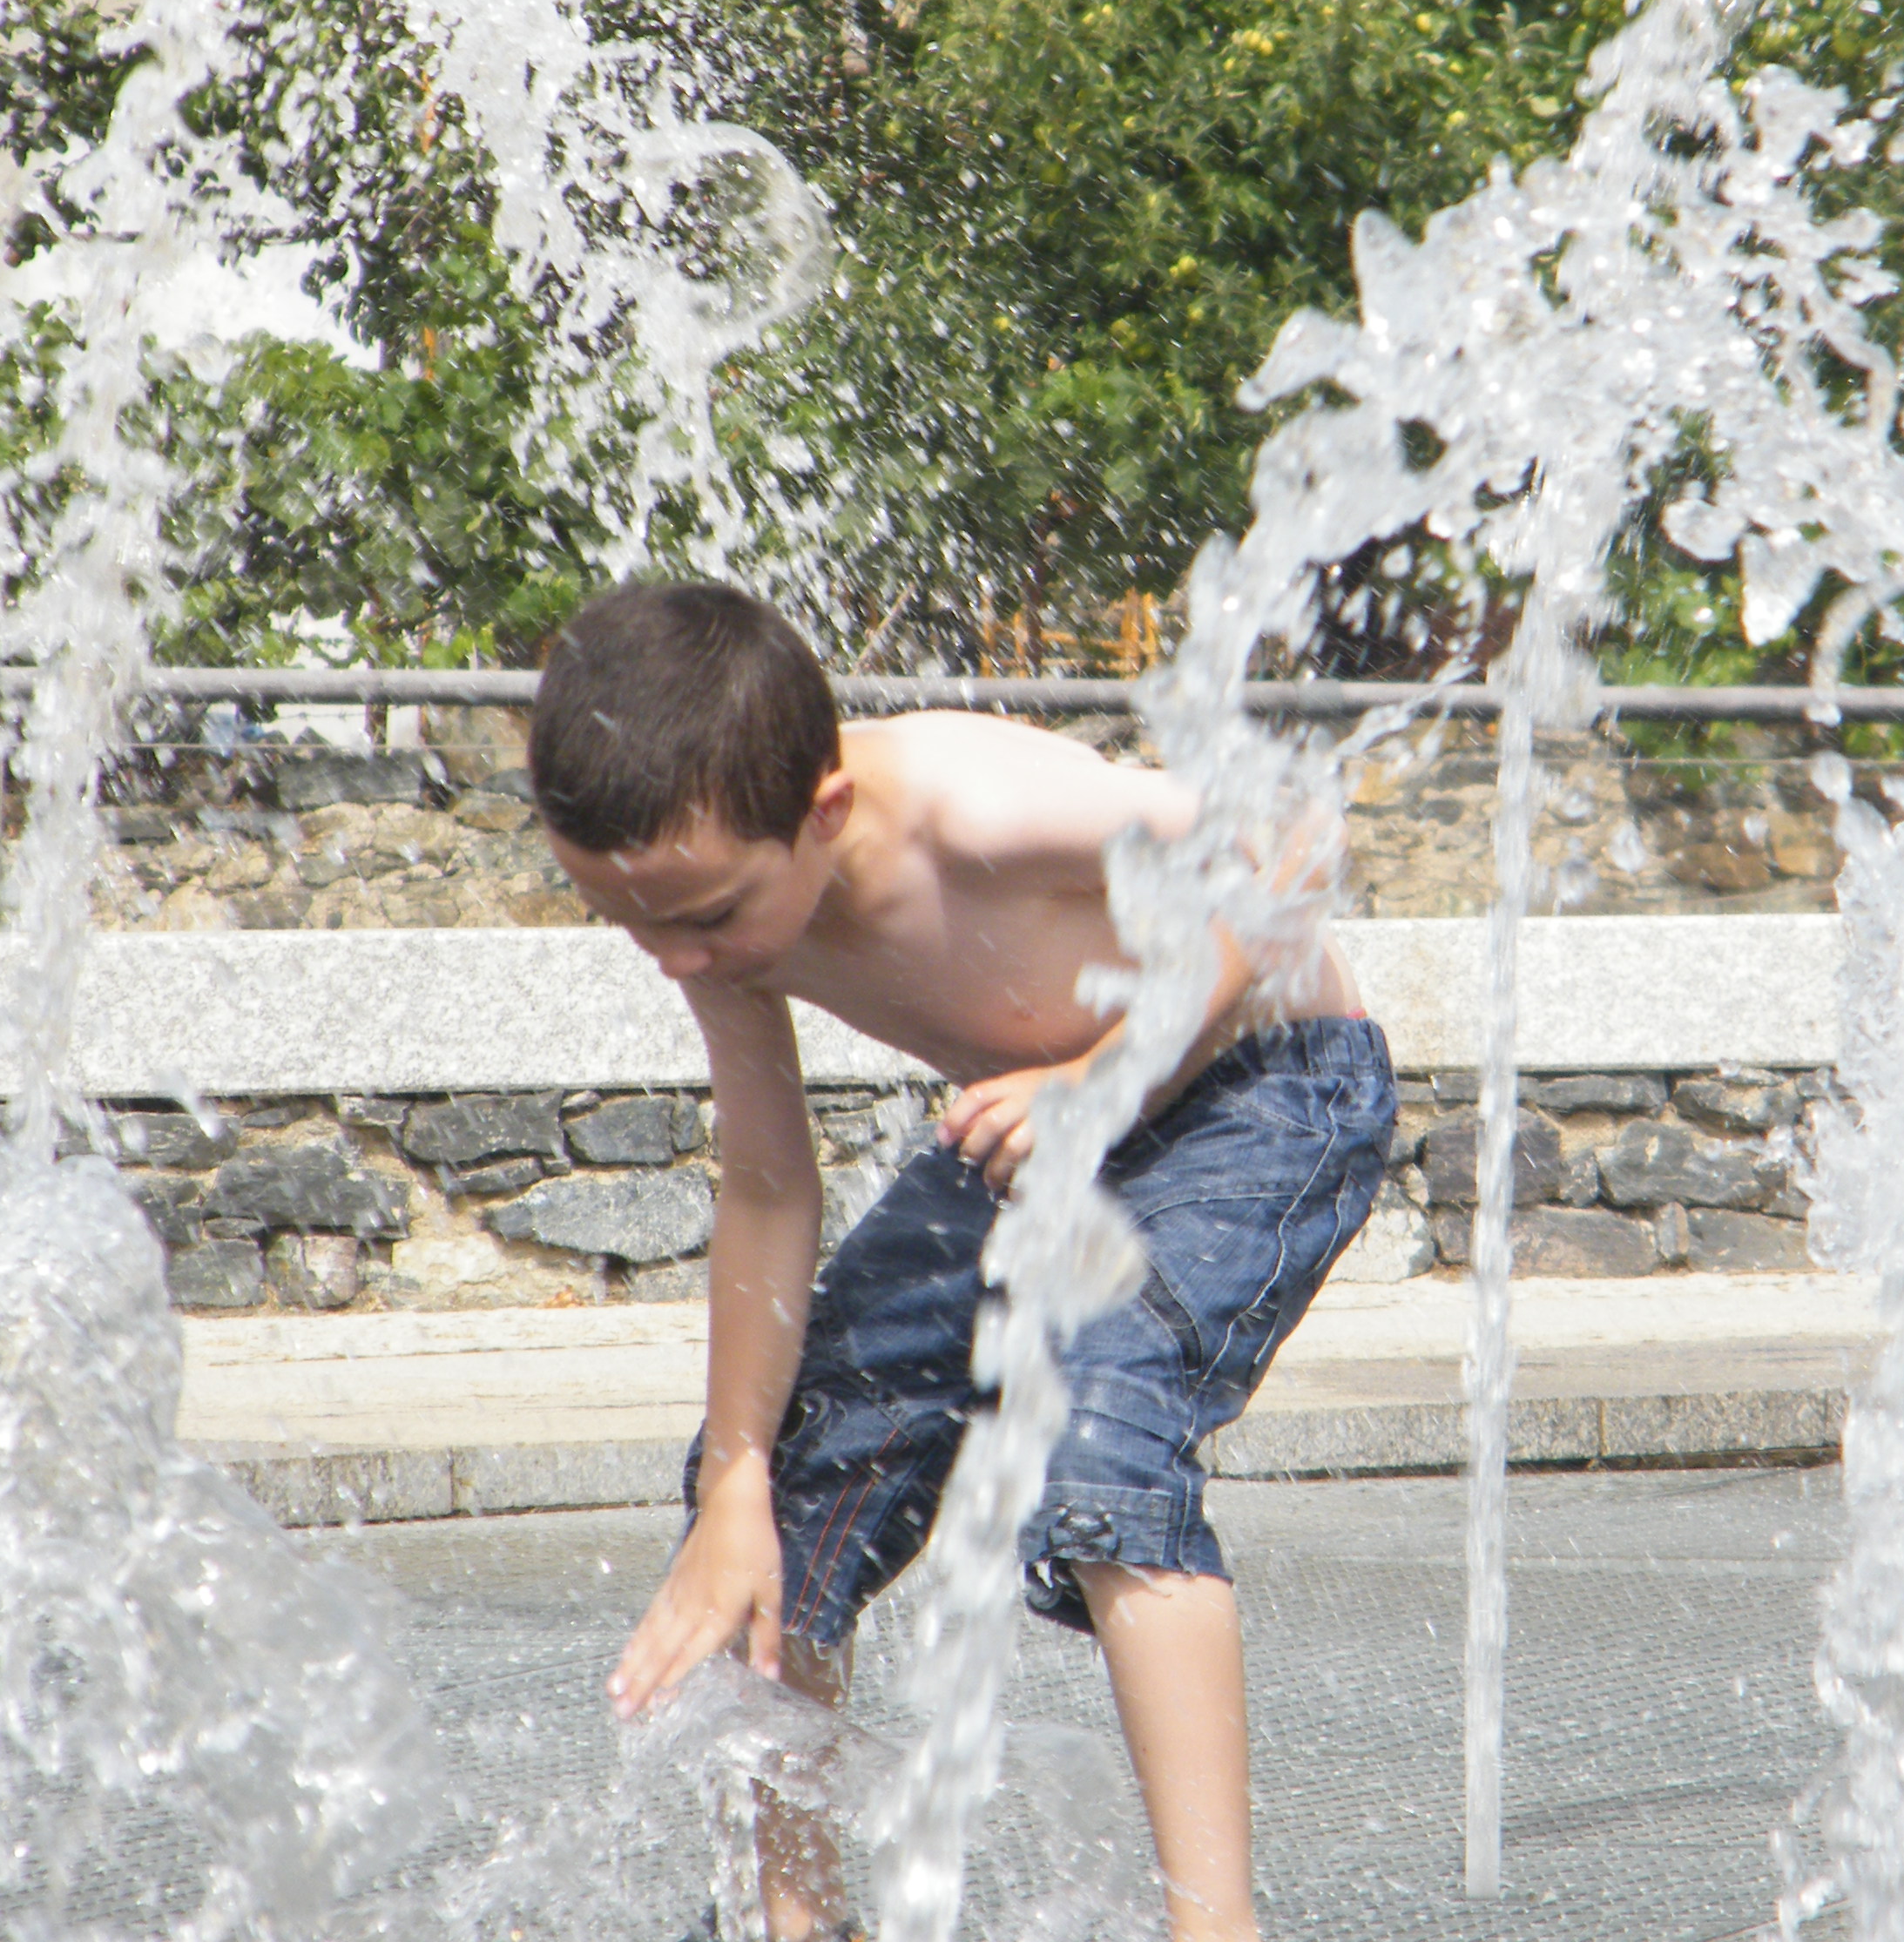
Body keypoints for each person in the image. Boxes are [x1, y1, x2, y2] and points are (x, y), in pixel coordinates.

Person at [530, 582, 1395, 1942]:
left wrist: (1109, 1074)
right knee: (787, 1457)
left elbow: (1295, 839)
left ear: (822, 812)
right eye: (631, 923)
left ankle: (1213, 1926)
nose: (675, 957)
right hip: (1044, 1127)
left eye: (704, 918)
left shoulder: (968, 805)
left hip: (1263, 1084)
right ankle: (796, 1919)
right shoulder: (708, 894)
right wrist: (736, 1477)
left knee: (1106, 1422)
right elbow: (767, 1183)